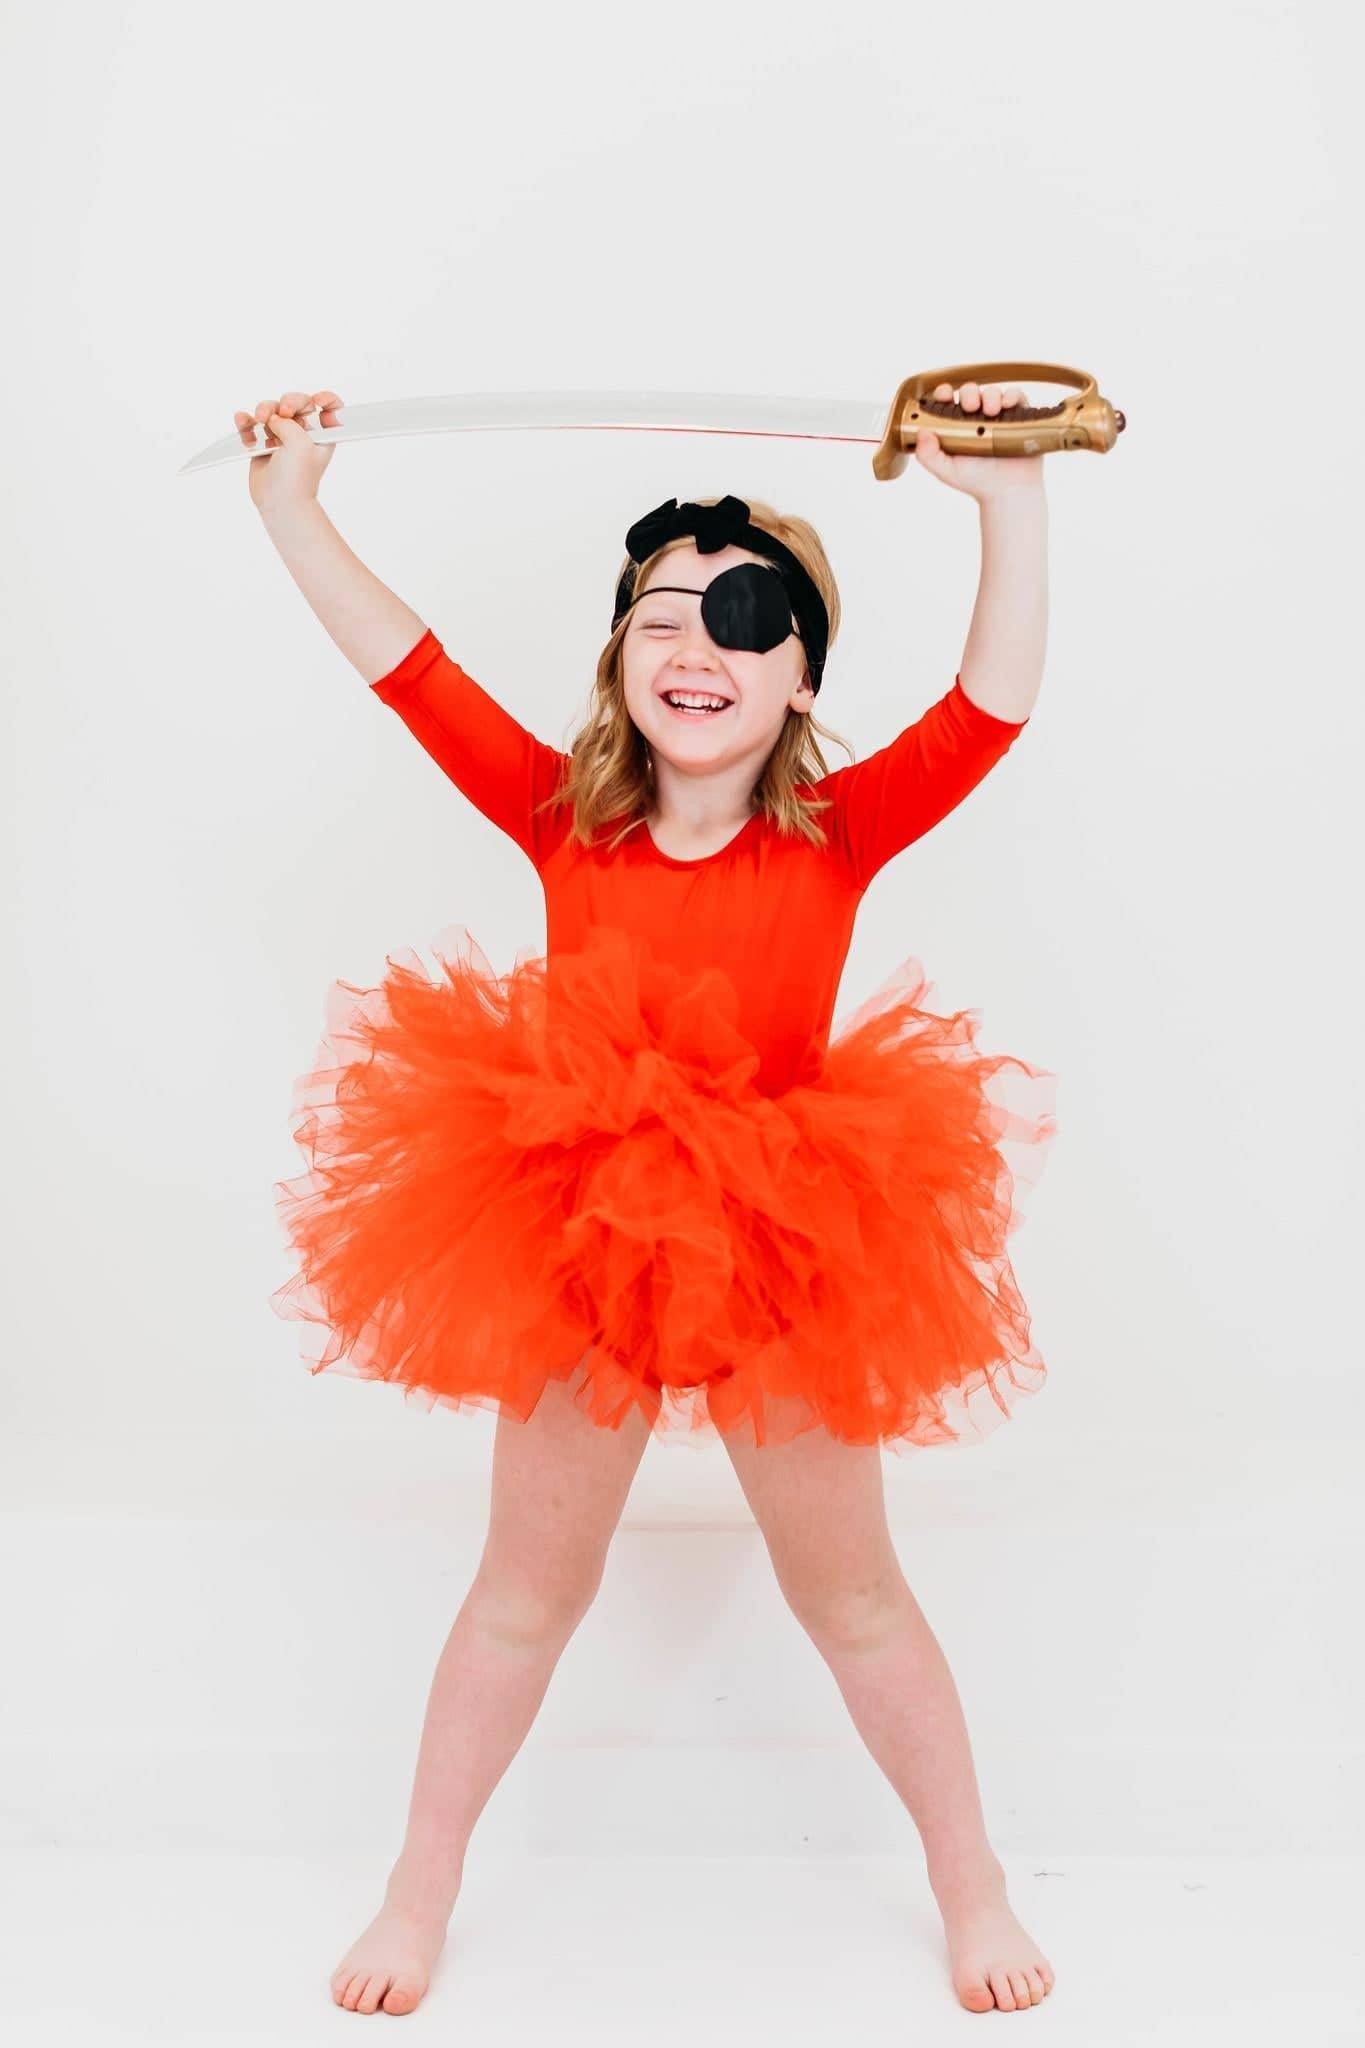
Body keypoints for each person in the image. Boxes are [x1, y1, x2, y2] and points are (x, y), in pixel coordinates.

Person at [240, 383, 1059, 2018]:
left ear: (801, 676)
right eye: (662, 615)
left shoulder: (839, 833)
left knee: (854, 1596)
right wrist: (290, 502)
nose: (696, 646)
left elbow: (992, 704)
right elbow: (407, 667)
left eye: (744, 621)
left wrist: (1008, 501)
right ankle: (418, 1890)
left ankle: (971, 1884)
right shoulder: (562, 815)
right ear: (621, 653)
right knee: (524, 1591)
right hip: (577, 1235)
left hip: (787, 1236)